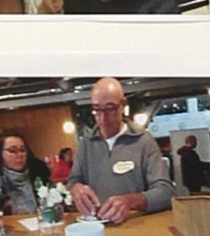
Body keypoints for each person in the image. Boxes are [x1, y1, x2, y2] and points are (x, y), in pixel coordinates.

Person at [68, 79, 172, 222]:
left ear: (123, 105)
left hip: (135, 226)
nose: (102, 117)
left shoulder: (143, 141)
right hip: (96, 226)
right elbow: (73, 182)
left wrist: (130, 201)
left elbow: (166, 193)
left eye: (110, 108)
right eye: (97, 109)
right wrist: (76, 188)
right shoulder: (86, 144)